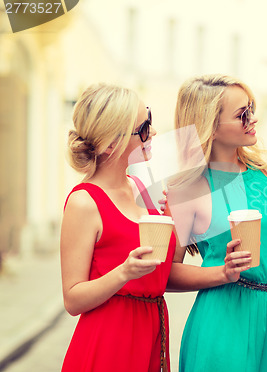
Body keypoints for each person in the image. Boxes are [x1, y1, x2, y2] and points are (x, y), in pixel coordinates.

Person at [163, 74, 267, 372]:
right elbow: (166, 275)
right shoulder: (188, 189)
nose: (253, 119)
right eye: (242, 114)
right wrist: (222, 273)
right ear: (211, 125)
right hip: (223, 322)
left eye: (251, 108)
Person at [60, 83, 176, 372]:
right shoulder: (84, 202)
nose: (154, 133)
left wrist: (224, 273)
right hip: (109, 344)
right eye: (144, 127)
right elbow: (73, 299)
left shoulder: (141, 187)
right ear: (110, 144)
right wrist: (123, 272)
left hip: (153, 333)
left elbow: (161, 274)